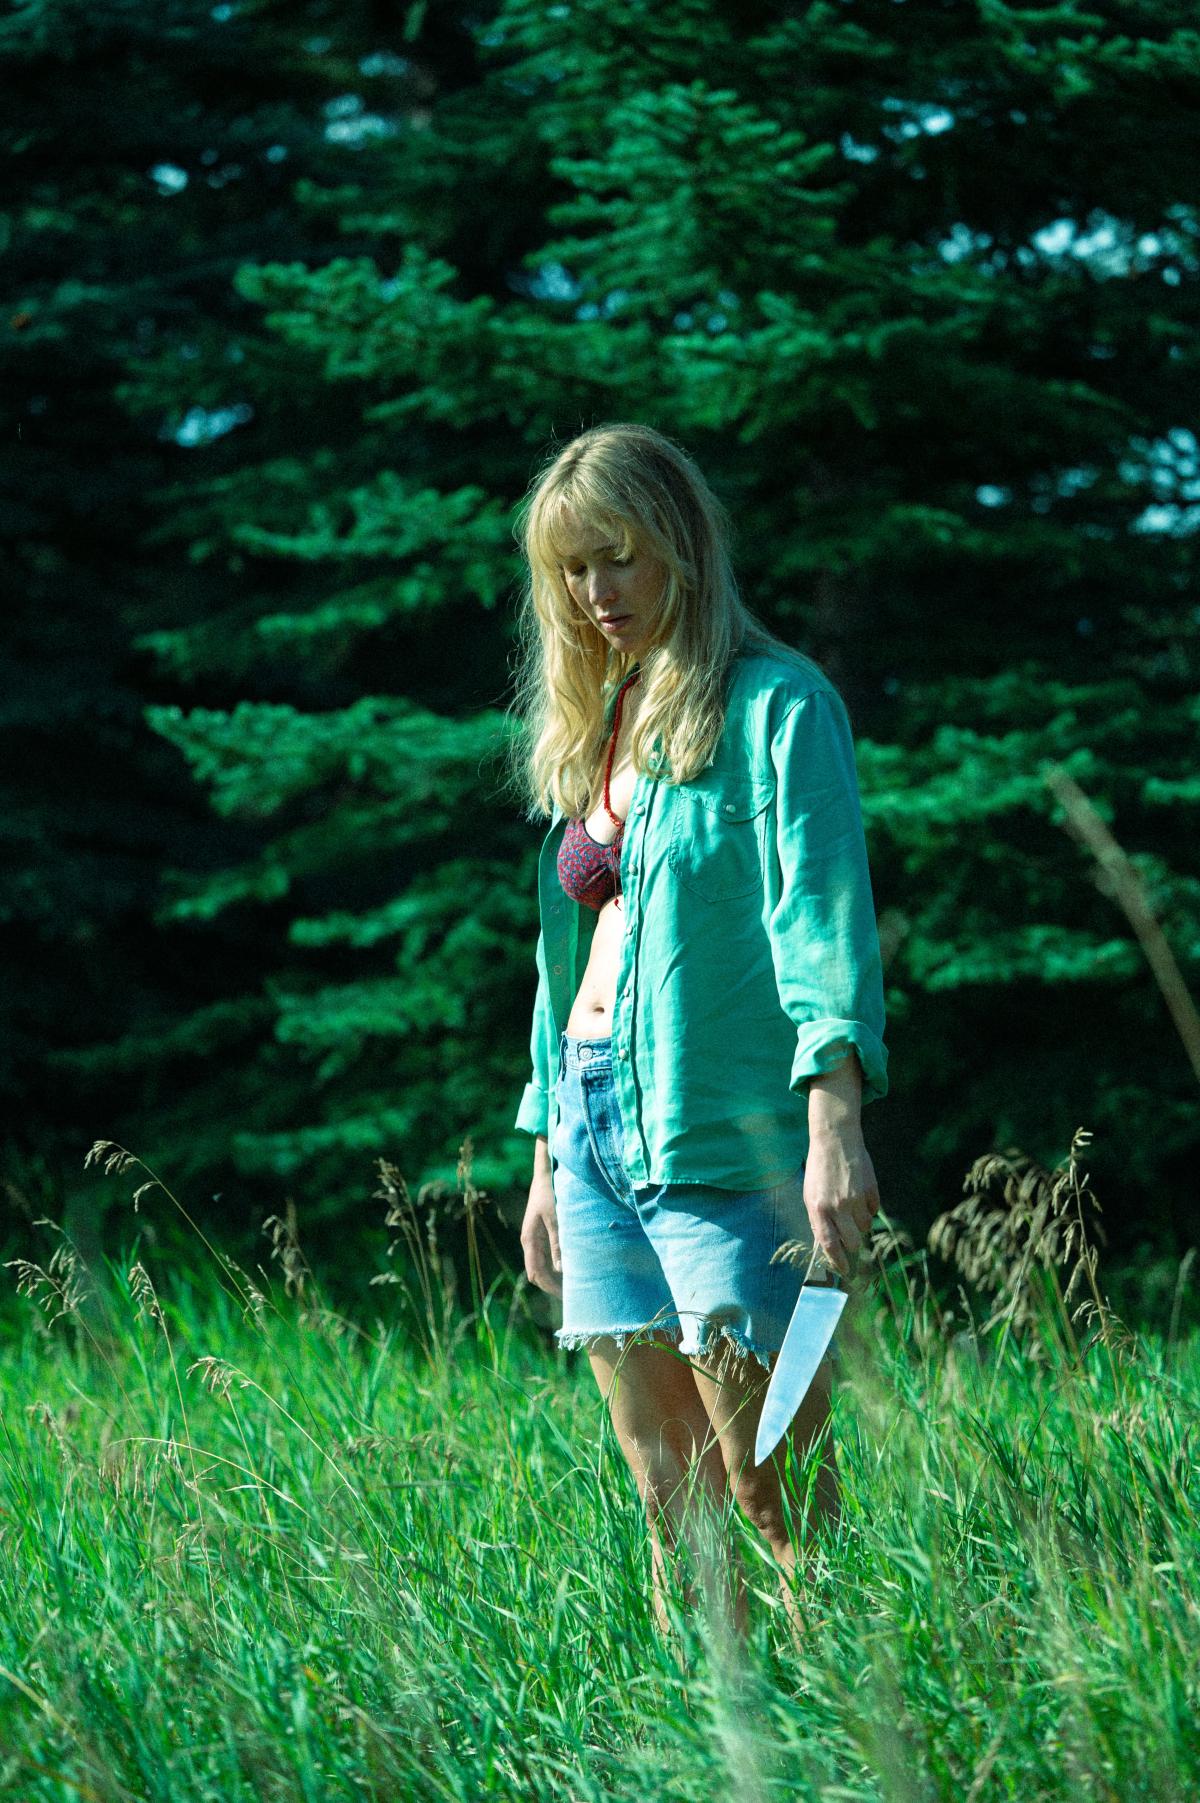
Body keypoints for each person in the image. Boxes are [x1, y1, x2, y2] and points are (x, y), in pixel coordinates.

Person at [507, 421, 888, 1647]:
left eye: (617, 555)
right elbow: (561, 961)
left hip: (721, 1127)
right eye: (573, 568)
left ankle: (845, 1714)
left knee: (774, 1488)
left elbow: (821, 920)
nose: (596, 591)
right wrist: (546, 1156)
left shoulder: (779, 706)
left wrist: (835, 1126)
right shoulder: (604, 720)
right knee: (669, 1496)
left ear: (681, 543)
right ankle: (711, 1722)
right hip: (590, 1124)